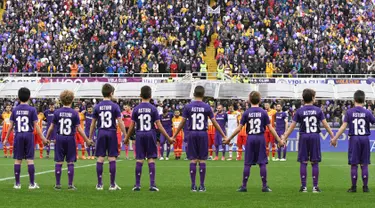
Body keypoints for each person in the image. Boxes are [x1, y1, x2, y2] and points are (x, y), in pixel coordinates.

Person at [224, 91, 284, 192]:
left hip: (250, 138)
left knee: (247, 163)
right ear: (260, 100)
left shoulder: (247, 112)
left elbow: (239, 128)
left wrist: (229, 139)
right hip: (260, 138)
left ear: (249, 100)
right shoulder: (263, 112)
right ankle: (264, 186)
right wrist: (279, 140)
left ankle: (244, 186)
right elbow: (270, 127)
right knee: (262, 163)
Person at [172, 86, 227, 192]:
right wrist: (224, 135)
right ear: (203, 94)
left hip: (192, 133)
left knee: (193, 160)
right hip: (202, 133)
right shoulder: (207, 107)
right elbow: (214, 122)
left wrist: (174, 136)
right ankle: (201, 185)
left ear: (193, 94)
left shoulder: (188, 106)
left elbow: (182, 122)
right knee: (202, 160)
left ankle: (193, 185)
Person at [282, 89, 334, 193]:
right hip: (314, 136)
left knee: (303, 161)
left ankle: (304, 186)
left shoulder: (299, 111)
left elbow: (292, 127)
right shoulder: (318, 110)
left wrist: (284, 137)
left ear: (303, 98)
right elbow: (325, 124)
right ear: (313, 98)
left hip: (304, 136)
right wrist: (333, 136)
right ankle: (315, 187)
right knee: (314, 162)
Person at [124, 86, 174, 192]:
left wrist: (126, 138)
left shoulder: (136, 109)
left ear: (140, 96)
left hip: (139, 134)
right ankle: (152, 185)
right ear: (151, 96)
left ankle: (137, 185)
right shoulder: (153, 109)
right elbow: (159, 126)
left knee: (139, 159)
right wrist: (168, 137)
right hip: (150, 134)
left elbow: (132, 126)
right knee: (151, 158)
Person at [45, 90, 93, 190]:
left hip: (59, 137)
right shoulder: (74, 113)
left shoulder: (57, 112)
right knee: (70, 162)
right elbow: (79, 129)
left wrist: (46, 138)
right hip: (70, 138)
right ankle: (70, 185)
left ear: (61, 100)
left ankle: (58, 184)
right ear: (72, 100)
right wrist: (87, 140)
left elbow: (51, 127)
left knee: (59, 161)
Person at [3, 87, 47, 189]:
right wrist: (43, 138)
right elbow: (36, 126)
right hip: (29, 135)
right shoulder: (32, 109)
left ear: (18, 97)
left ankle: (17, 184)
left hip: (18, 135)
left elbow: (10, 126)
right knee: (30, 159)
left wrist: (5, 139)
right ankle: (32, 184)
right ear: (29, 97)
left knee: (18, 160)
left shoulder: (15, 109)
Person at [330, 90, 374, 193]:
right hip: (365, 138)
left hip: (354, 139)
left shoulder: (349, 112)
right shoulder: (367, 112)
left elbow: (343, 127)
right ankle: (365, 187)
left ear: (354, 100)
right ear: (364, 100)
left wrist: (334, 138)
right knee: (364, 164)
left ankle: (353, 187)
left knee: (354, 164)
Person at [89, 83, 127, 191]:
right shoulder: (115, 106)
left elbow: (93, 124)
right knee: (111, 158)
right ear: (111, 93)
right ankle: (112, 184)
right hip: (111, 132)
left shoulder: (97, 106)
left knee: (100, 158)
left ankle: (100, 184)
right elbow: (120, 122)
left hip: (100, 132)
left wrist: (90, 137)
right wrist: (125, 135)